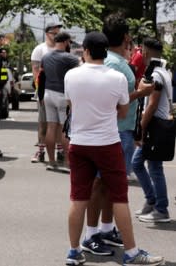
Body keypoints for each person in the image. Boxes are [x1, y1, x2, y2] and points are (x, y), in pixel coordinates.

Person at [64, 31, 164, 266]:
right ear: (105, 50)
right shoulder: (117, 77)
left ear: (86, 51)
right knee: (119, 197)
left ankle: (73, 251)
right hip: (107, 143)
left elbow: (72, 106)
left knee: (78, 198)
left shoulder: (71, 75)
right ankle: (131, 253)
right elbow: (122, 112)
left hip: (79, 143)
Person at [80, 14, 155, 257]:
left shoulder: (114, 61)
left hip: (119, 129)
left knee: (109, 185)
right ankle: (91, 234)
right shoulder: (114, 64)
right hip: (113, 129)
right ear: (125, 37)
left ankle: (105, 228)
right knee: (101, 184)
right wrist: (140, 93)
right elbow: (110, 102)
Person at [132, 38, 171, 223]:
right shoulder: (164, 71)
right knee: (139, 163)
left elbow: (153, 104)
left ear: (145, 53)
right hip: (158, 125)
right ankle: (152, 201)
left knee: (154, 167)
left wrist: (141, 127)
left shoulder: (156, 75)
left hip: (156, 126)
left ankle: (161, 208)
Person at [40, 32, 79, 170]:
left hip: (48, 94)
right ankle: (68, 163)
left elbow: (42, 75)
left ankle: (51, 161)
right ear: (66, 41)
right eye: (69, 42)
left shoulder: (45, 57)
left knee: (51, 127)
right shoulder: (70, 58)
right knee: (65, 129)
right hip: (63, 95)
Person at [30, 21, 63, 163]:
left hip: (61, 92)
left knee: (60, 123)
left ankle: (60, 150)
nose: (56, 36)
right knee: (44, 123)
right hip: (45, 91)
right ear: (46, 33)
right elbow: (36, 73)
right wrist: (41, 92)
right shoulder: (40, 49)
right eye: (53, 33)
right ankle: (40, 151)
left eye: (58, 34)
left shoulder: (61, 49)